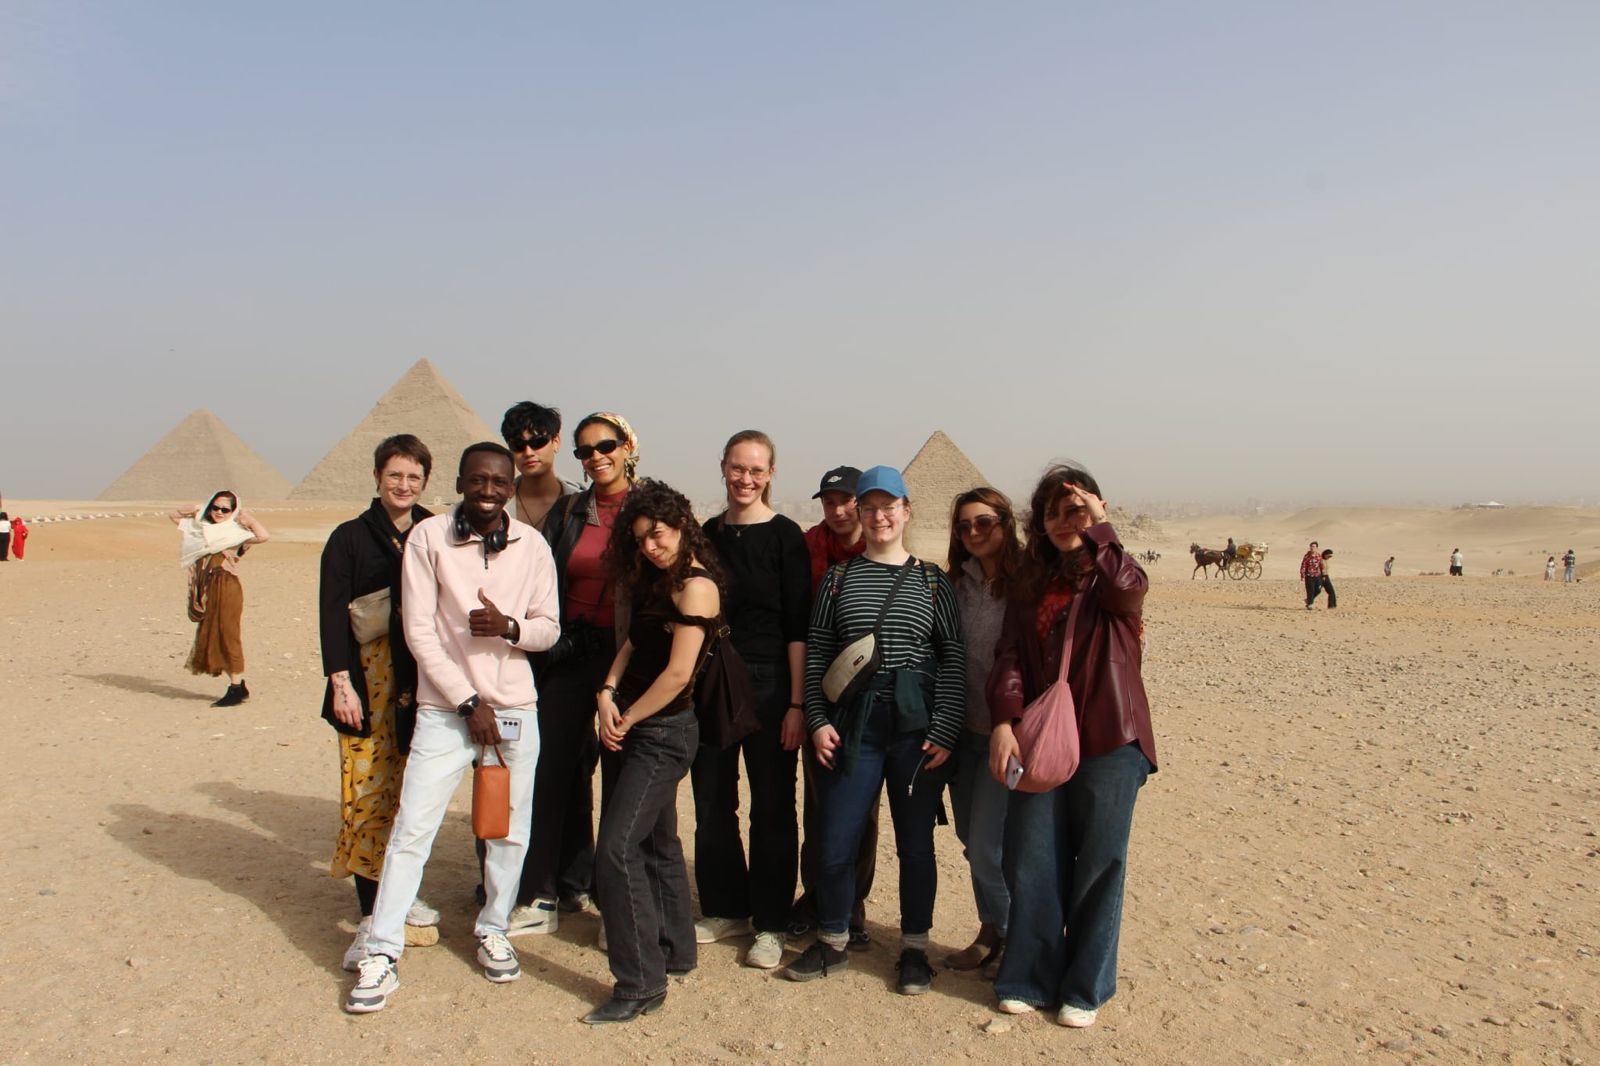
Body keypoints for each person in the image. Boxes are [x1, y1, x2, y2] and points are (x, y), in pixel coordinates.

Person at [344, 443, 561, 1014]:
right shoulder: (429, 538)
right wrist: (468, 702)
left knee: (509, 830)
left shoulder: (532, 545)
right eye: (477, 479)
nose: (488, 490)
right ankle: (383, 950)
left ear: (512, 486)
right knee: (413, 829)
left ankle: (494, 928)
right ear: (461, 481)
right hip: (447, 711)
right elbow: (419, 631)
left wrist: (510, 626)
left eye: (499, 481)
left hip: (515, 705)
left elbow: (549, 628)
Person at [784, 465, 965, 997]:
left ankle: (914, 949)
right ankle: (834, 940)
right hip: (853, 727)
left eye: (890, 507)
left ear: (907, 511)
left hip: (916, 730)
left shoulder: (934, 581)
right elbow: (818, 652)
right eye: (870, 508)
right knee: (836, 841)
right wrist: (816, 720)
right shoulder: (839, 579)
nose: (880, 516)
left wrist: (948, 727)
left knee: (915, 846)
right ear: (859, 515)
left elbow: (953, 658)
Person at [987, 464, 1157, 1029]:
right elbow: (1009, 654)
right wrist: (1005, 719)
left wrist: (1101, 528)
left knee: (1099, 866)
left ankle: (1084, 986)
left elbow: (1128, 591)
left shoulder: (1115, 573)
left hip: (1111, 737)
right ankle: (1028, 976)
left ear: (1098, 511)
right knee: (1031, 860)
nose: (1064, 522)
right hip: (1041, 737)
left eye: (1075, 510)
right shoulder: (1032, 582)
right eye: (1053, 513)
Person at [585, 479, 724, 1023]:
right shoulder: (657, 581)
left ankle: (640, 983)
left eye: (658, 533)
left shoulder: (697, 588)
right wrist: (605, 690)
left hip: (662, 733)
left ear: (682, 524)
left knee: (615, 850)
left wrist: (626, 715)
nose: (650, 545)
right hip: (633, 723)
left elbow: (677, 673)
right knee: (658, 842)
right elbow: (634, 644)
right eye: (641, 537)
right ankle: (676, 951)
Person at [510, 411, 641, 936]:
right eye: (585, 451)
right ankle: (541, 894)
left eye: (605, 445)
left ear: (627, 444)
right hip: (570, 654)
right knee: (552, 771)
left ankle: (614, 901)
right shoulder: (567, 511)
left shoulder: (652, 507)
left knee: (621, 779)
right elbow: (535, 573)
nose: (595, 457)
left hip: (629, 658)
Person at [320, 434, 439, 970]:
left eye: (413, 477)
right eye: (395, 476)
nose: (404, 486)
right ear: (376, 477)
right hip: (366, 684)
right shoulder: (348, 538)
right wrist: (340, 683)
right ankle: (370, 916)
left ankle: (399, 892)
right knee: (367, 792)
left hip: (421, 680)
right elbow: (331, 614)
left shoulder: (433, 529)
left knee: (412, 794)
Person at [693, 431, 810, 969]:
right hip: (713, 677)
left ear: (771, 474)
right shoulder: (705, 535)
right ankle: (724, 907)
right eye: (737, 468)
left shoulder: (787, 537)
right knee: (713, 800)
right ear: (723, 468)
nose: (746, 479)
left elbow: (796, 627)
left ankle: (770, 921)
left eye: (756, 471)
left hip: (769, 684)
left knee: (772, 805)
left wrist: (795, 705)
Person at [791, 465, 877, 948]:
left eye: (848, 501)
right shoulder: (808, 549)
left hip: (868, 702)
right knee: (819, 804)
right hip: (820, 692)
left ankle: (852, 904)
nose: (839, 511)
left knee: (861, 810)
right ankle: (816, 896)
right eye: (830, 502)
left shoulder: (884, 552)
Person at [944, 487, 1023, 978]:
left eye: (984, 523)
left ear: (1006, 522)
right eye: (964, 525)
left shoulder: (1029, 585)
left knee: (992, 846)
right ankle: (990, 927)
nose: (973, 533)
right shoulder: (956, 584)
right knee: (971, 841)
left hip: (1005, 735)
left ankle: (1018, 940)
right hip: (962, 732)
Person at [170, 491, 270, 705]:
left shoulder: (236, 533)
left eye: (225, 509)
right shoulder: (202, 530)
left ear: (233, 510)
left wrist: (249, 520)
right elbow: (174, 517)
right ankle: (239, 686)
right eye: (215, 507)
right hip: (207, 587)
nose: (218, 512)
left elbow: (263, 536)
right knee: (213, 632)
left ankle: (236, 688)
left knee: (227, 633)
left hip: (226, 586)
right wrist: (193, 507)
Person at [502, 401, 581, 532]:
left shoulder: (582, 505)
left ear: (556, 442)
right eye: (518, 445)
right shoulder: (498, 505)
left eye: (537, 442)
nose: (528, 452)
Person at [1299, 541, 1324, 610]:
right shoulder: (1307, 556)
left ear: (1316, 548)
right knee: (1310, 590)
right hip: (1309, 576)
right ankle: (1310, 604)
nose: (1312, 548)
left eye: (1314, 547)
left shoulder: (1319, 556)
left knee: (1318, 590)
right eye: (1311, 547)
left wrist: (1323, 575)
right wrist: (1302, 575)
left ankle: (1308, 600)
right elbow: (1303, 565)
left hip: (1317, 576)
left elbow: (1321, 566)